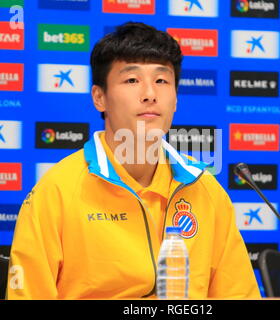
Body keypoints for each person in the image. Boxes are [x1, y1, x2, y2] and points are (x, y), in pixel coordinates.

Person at [7, 22, 260, 299]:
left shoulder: (207, 191)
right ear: (99, 98)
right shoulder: (57, 192)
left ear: (175, 99)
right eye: (132, 80)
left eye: (162, 81)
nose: (150, 94)